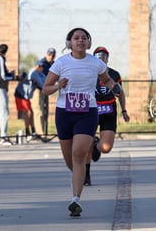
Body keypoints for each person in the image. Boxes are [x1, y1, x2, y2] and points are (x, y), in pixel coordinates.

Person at [42, 28, 123, 217]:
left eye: (84, 38)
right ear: (69, 42)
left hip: (88, 112)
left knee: (78, 154)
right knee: (70, 159)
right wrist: (57, 86)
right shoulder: (61, 63)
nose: (80, 41)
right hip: (64, 113)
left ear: (88, 42)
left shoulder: (96, 63)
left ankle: (75, 200)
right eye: (76, 38)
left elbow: (107, 80)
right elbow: (46, 88)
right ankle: (77, 177)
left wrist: (115, 88)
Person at [84, 46, 130, 186]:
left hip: (109, 110)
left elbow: (120, 93)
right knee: (86, 144)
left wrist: (124, 111)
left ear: (107, 59)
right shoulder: (88, 73)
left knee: (106, 148)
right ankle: (86, 175)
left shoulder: (115, 75)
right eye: (98, 56)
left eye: (104, 56)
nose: (101, 58)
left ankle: (97, 145)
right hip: (91, 110)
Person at [14, 60, 46, 139]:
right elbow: (42, 84)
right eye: (39, 66)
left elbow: (45, 80)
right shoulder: (34, 73)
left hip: (27, 96)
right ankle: (28, 132)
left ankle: (33, 131)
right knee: (28, 113)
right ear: (35, 66)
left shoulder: (40, 74)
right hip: (21, 94)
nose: (41, 68)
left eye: (42, 67)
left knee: (30, 113)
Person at [32, 47, 56, 137]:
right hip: (41, 89)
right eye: (49, 55)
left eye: (53, 55)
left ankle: (44, 131)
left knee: (45, 111)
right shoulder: (43, 63)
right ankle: (40, 132)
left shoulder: (53, 63)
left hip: (47, 89)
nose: (51, 57)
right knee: (40, 111)